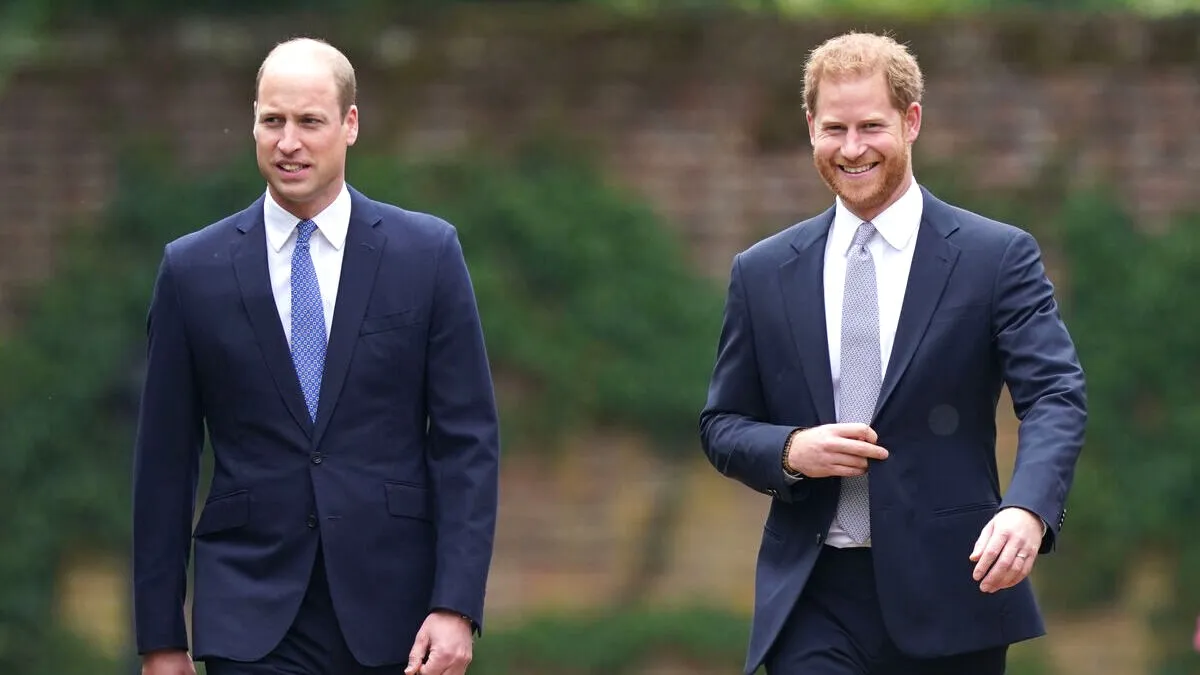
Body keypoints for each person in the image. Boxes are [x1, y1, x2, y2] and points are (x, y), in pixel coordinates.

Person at [699, 31, 1086, 675]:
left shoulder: (996, 258)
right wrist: (792, 450)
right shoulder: (761, 272)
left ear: (911, 121)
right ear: (811, 128)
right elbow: (722, 425)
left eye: (871, 126)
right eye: (834, 129)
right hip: (812, 595)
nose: (852, 149)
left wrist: (1028, 508)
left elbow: (1054, 395)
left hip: (955, 588)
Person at [131, 37, 501, 675]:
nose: (288, 142)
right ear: (252, 121)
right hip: (247, 610)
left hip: (398, 613)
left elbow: (467, 440)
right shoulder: (193, 270)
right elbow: (164, 460)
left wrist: (457, 603)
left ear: (350, 125)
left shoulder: (428, 254)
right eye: (272, 121)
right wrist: (161, 639)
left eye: (309, 121)